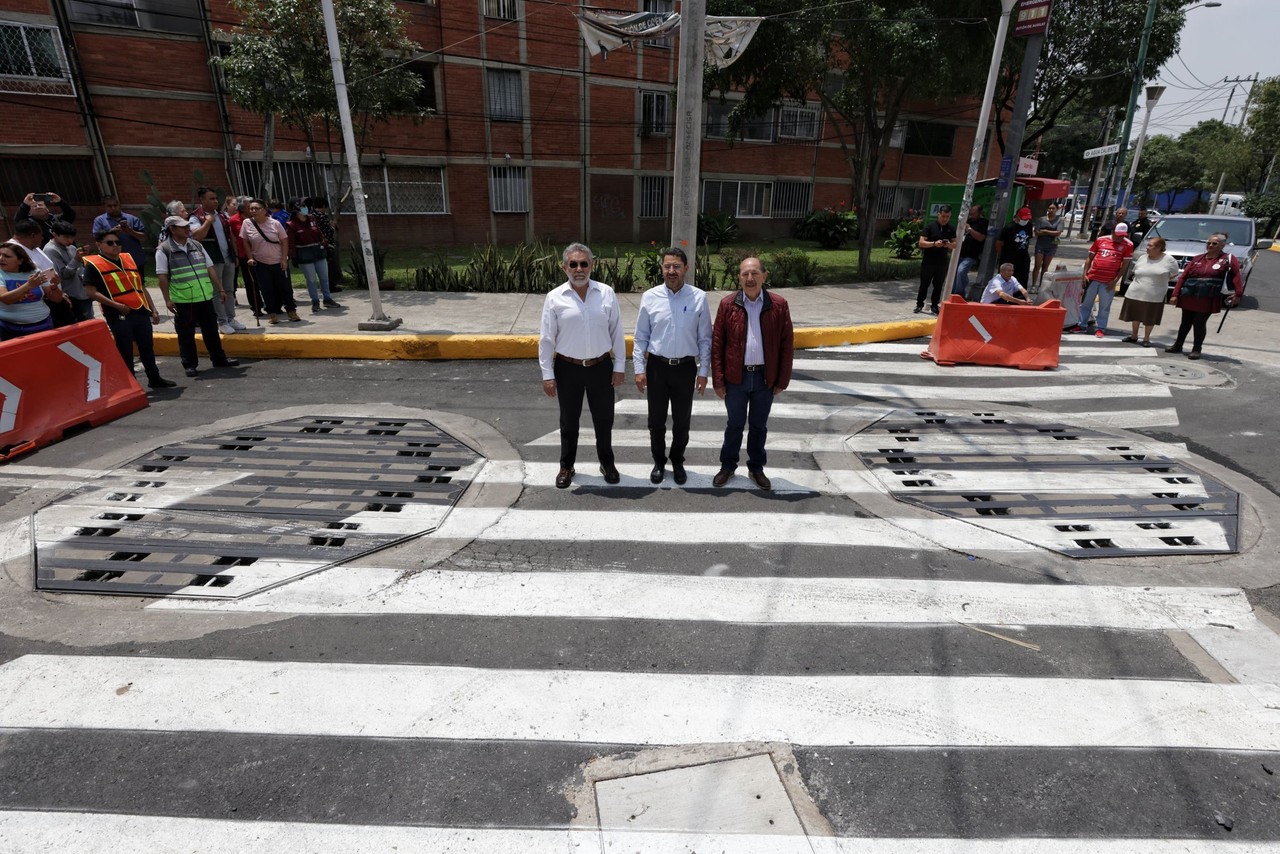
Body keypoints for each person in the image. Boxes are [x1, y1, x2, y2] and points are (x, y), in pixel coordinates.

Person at [537, 243, 626, 489]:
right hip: (567, 369)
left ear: (592, 265)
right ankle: (567, 465)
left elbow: (617, 331)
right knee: (568, 421)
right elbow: (546, 338)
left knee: (604, 419)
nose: (579, 269)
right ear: (564, 267)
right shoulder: (554, 298)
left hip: (601, 367)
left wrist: (619, 366)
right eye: (573, 264)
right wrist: (548, 375)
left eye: (583, 263)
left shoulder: (606, 293)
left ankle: (607, 463)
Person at [710, 255, 794, 491]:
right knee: (734, 424)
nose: (749, 278)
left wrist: (782, 380)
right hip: (736, 378)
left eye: (754, 273)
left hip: (765, 378)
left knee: (759, 426)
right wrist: (718, 380)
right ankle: (727, 466)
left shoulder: (778, 304)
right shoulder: (728, 305)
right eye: (744, 274)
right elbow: (717, 344)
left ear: (764, 277)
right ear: (739, 277)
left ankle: (756, 468)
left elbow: (787, 345)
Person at [633, 247, 712, 485]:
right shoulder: (650, 297)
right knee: (655, 421)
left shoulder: (699, 297)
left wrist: (703, 371)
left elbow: (705, 338)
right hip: (657, 367)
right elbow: (640, 337)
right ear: (662, 269)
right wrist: (638, 369)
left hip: (686, 368)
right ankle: (659, 462)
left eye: (676, 266)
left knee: (682, 422)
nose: (671, 271)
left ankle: (677, 460)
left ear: (686, 268)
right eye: (667, 266)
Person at [83, 229, 175, 389]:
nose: (115, 246)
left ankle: (155, 379)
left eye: (118, 242)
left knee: (147, 347)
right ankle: (130, 384)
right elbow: (91, 292)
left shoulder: (128, 259)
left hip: (140, 310)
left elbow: (141, 286)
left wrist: (152, 308)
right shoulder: (94, 265)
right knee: (125, 350)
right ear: (99, 245)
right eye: (110, 243)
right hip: (118, 314)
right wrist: (117, 306)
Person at [156, 216, 239, 378]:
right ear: (172, 230)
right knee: (186, 335)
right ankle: (189, 364)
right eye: (183, 227)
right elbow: (162, 276)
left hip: (205, 297)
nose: (187, 229)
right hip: (184, 300)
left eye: (188, 225)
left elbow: (209, 268)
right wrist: (167, 299)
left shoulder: (197, 245)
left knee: (211, 331)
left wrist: (220, 289)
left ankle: (219, 358)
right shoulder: (164, 250)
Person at [1167, 232, 1242, 361]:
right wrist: (1175, 294)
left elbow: (1236, 277)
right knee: (1185, 322)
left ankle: (1197, 349)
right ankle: (1178, 345)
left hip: (1208, 296)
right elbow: (1183, 277)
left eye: (1214, 243)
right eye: (1208, 243)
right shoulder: (1197, 258)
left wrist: (1237, 293)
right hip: (1190, 295)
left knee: (1199, 322)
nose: (1210, 245)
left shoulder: (1227, 259)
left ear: (1222, 245)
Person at [189, 187, 244, 335]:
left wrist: (236, 255)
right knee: (218, 292)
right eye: (211, 198)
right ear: (202, 200)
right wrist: (207, 223)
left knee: (229, 290)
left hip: (227, 258)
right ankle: (222, 321)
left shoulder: (221, 215)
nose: (215, 201)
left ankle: (231, 318)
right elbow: (197, 237)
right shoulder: (196, 217)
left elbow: (230, 235)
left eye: (215, 198)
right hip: (213, 260)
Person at [240, 199, 299, 325]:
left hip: (278, 261)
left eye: (257, 208)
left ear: (265, 210)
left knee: (285, 288)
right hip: (260, 263)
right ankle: (272, 313)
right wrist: (250, 257)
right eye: (251, 209)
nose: (254, 211)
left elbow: (284, 241)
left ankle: (291, 311)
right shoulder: (247, 223)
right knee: (266, 289)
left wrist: (284, 259)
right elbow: (245, 240)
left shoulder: (275, 223)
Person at [1120, 236, 1178, 347]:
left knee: (1150, 317)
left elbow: (1174, 274)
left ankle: (1146, 338)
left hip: (1155, 295)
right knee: (1135, 314)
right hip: (1135, 291)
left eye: (1150, 246)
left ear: (1159, 248)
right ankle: (1134, 335)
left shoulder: (1169, 260)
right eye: (1148, 245)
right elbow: (1136, 271)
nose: (1147, 247)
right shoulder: (1142, 258)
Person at [1079, 221, 1134, 337]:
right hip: (1093, 278)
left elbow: (1124, 266)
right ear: (1113, 232)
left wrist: (1115, 281)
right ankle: (1081, 325)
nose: (1120, 238)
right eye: (1118, 235)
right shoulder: (1101, 240)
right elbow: (1090, 258)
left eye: (1123, 236)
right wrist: (1085, 274)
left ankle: (1101, 328)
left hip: (1108, 281)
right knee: (1085, 304)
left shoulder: (1128, 245)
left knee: (1104, 306)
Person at [286, 199, 338, 312]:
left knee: (324, 277)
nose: (305, 209)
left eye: (305, 207)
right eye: (302, 208)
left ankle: (327, 299)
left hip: (318, 252)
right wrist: (293, 257)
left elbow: (319, 233)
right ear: (296, 211)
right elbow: (291, 243)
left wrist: (325, 246)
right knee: (311, 280)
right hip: (305, 256)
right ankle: (315, 301)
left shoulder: (312, 219)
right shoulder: (291, 225)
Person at [0, 243, 60, 341]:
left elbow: (56, 299)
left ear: (20, 260)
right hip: (10, 329)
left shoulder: (34, 271)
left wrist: (55, 288)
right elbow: (6, 299)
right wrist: (29, 285)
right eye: (0, 255)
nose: (1, 258)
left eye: (7, 256)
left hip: (43, 325)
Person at [44, 220, 94, 322]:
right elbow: (63, 275)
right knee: (81, 323)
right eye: (66, 237)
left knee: (90, 321)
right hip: (71, 294)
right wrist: (76, 259)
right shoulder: (50, 250)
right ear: (54, 234)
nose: (70, 241)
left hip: (82, 291)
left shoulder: (71, 248)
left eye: (72, 237)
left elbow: (80, 268)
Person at [91, 196, 148, 278]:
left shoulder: (132, 219)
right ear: (105, 207)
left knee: (139, 284)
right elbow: (97, 237)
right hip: (112, 260)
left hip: (134, 259)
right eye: (110, 206)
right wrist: (112, 232)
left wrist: (131, 231)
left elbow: (144, 237)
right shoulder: (99, 220)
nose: (113, 208)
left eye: (115, 205)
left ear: (119, 205)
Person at [914, 205, 956, 314]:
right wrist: (933, 243)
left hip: (942, 263)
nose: (945, 219)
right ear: (939, 214)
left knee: (938, 285)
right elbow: (921, 242)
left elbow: (955, 244)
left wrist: (948, 245)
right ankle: (919, 304)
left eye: (947, 216)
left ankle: (934, 305)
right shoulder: (930, 227)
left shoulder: (951, 228)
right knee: (924, 284)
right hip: (928, 261)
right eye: (943, 216)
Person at [995, 206, 1035, 291]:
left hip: (1023, 257)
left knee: (1022, 278)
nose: (1025, 221)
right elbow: (999, 243)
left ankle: (1021, 298)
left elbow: (1028, 238)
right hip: (1009, 257)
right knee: (1006, 279)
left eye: (1027, 219)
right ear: (1017, 217)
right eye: (1023, 219)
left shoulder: (1029, 225)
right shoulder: (1009, 227)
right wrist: (1002, 256)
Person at [308, 196, 342, 292]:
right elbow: (328, 232)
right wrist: (332, 226)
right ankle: (330, 286)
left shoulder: (311, 215)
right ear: (323, 206)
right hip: (326, 245)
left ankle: (326, 286)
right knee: (329, 266)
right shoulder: (322, 216)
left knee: (322, 267)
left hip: (315, 245)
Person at [953, 204, 987, 297]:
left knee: (961, 271)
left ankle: (959, 294)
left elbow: (981, 238)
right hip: (961, 252)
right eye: (971, 213)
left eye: (974, 213)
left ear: (980, 213)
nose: (972, 215)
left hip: (972, 254)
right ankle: (953, 292)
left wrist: (969, 229)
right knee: (955, 272)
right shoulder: (969, 221)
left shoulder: (983, 223)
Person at [1031, 203, 1063, 289]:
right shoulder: (1041, 219)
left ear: (1057, 209)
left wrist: (1045, 231)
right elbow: (1037, 232)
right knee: (1037, 265)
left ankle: (1042, 285)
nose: (1051, 210)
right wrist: (1050, 232)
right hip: (1040, 245)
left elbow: (1058, 232)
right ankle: (1033, 285)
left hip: (1052, 246)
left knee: (1045, 266)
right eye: (1049, 208)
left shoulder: (1059, 220)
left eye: (1053, 208)